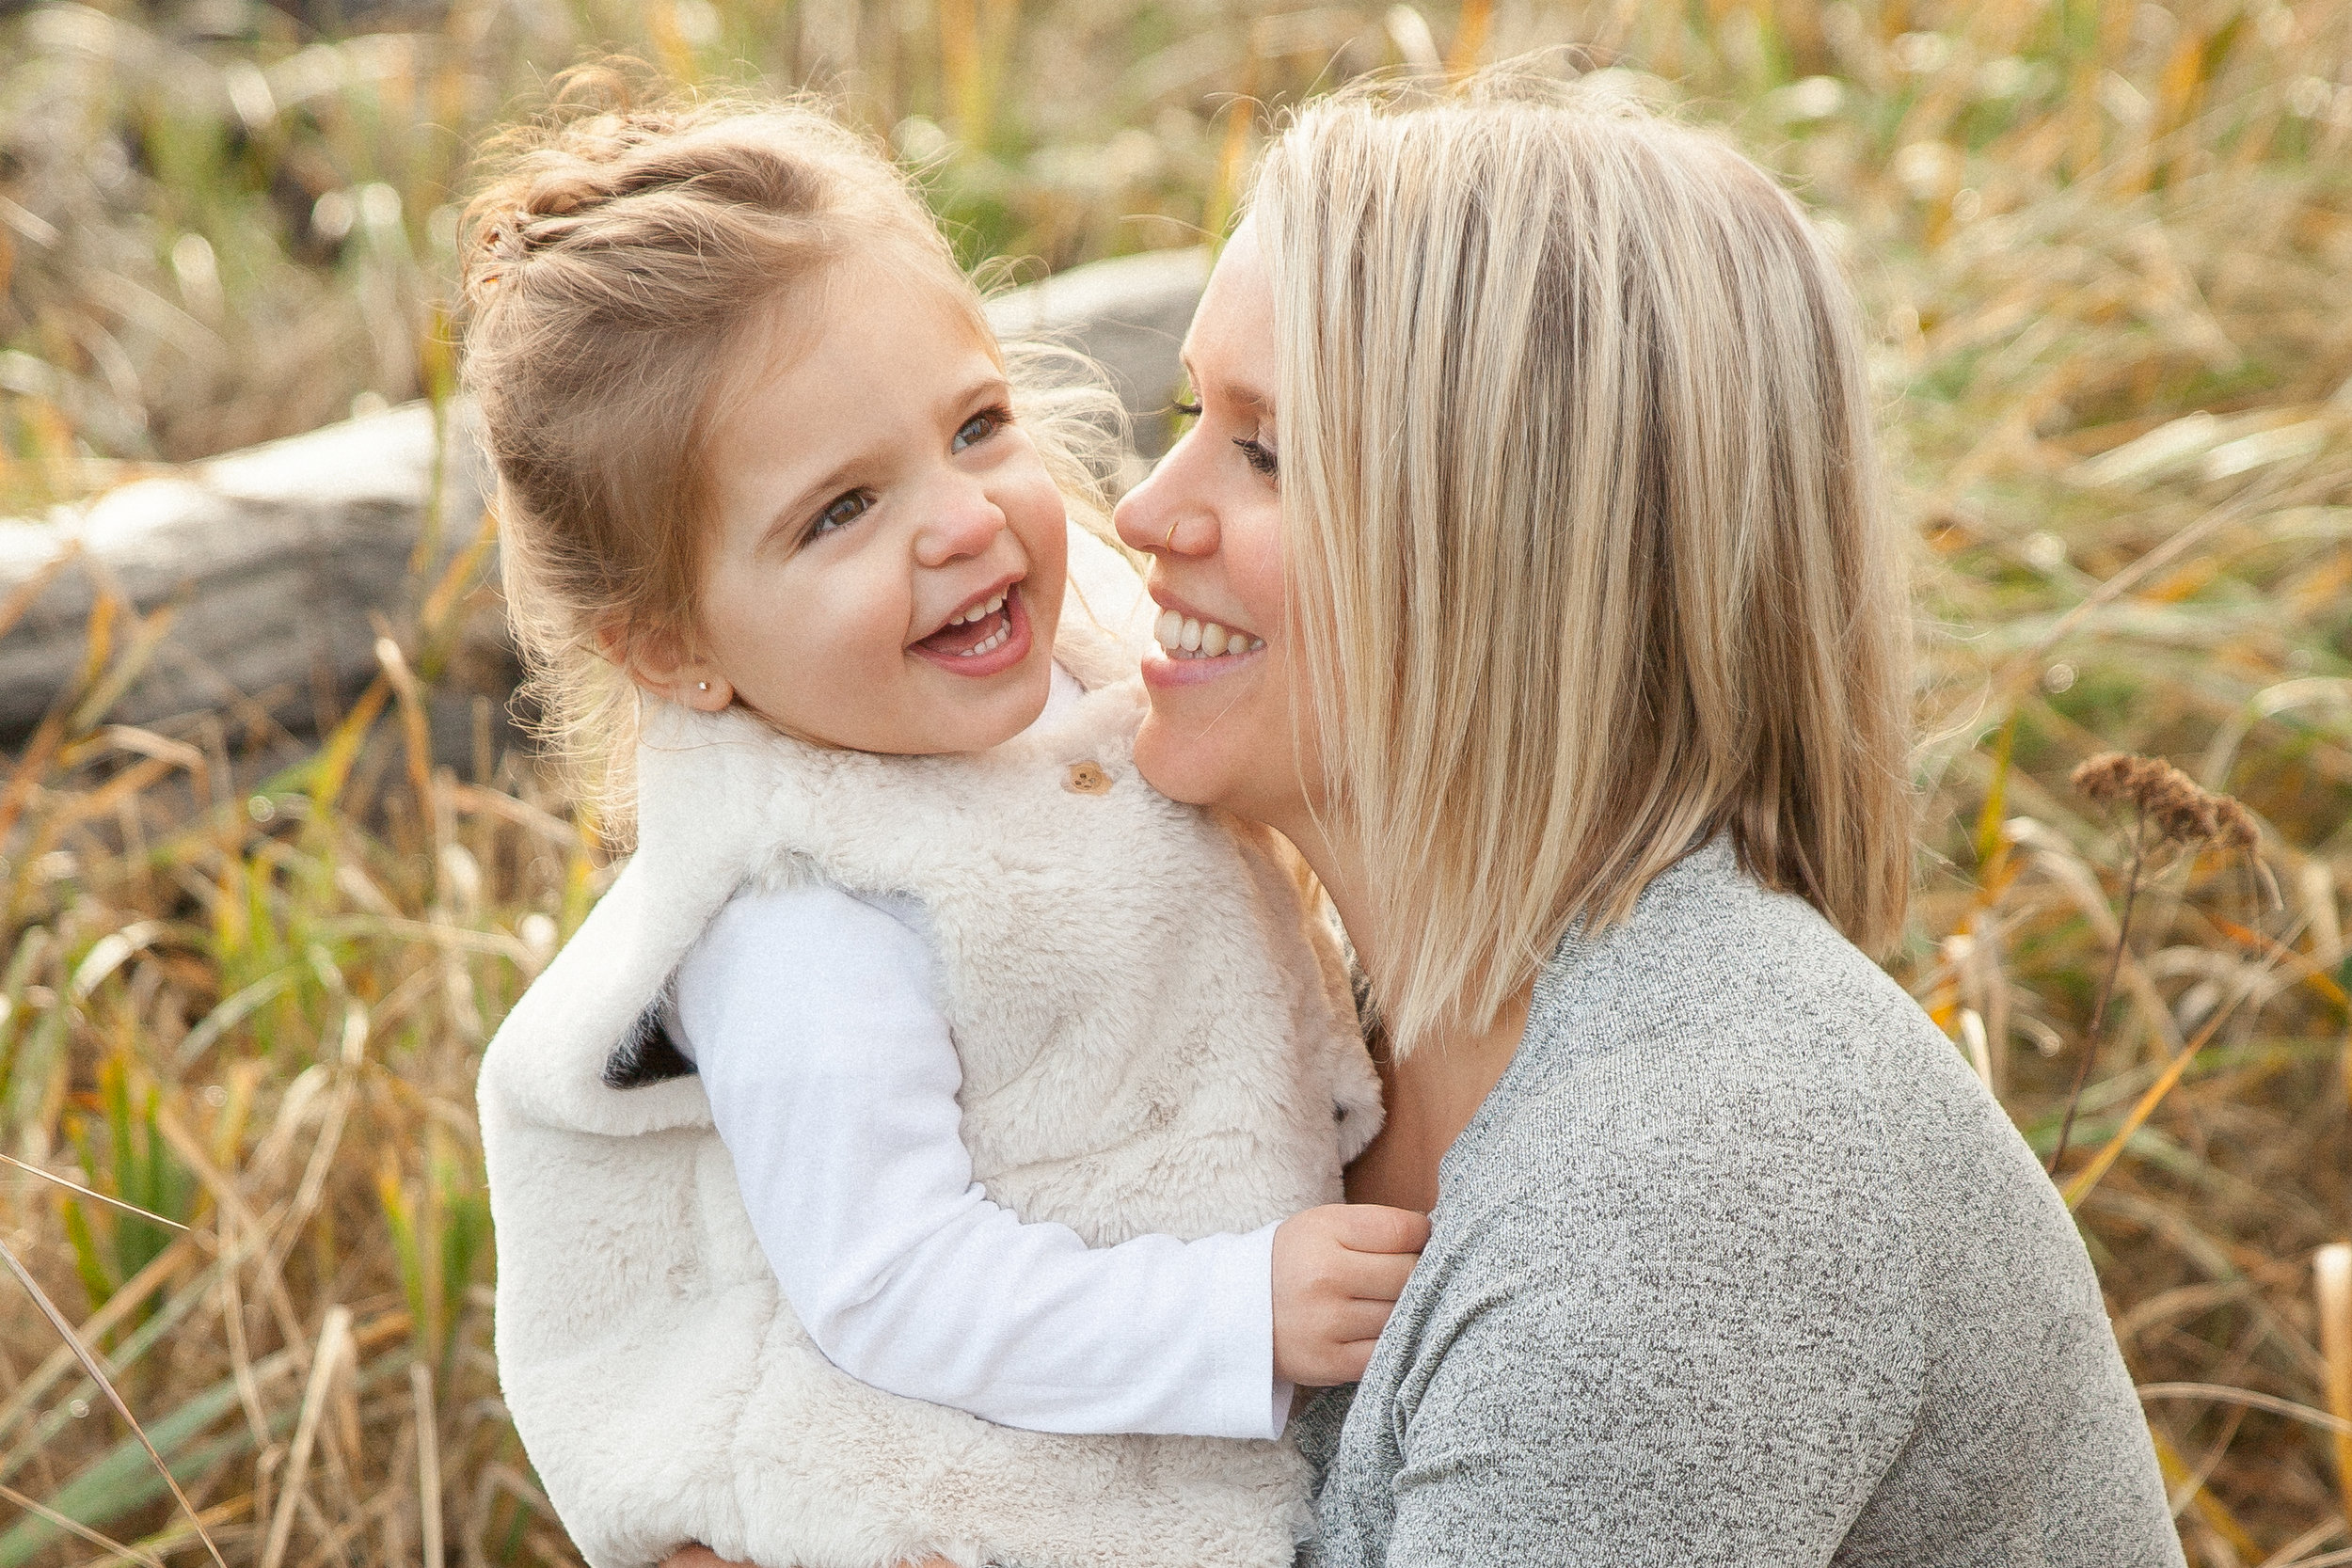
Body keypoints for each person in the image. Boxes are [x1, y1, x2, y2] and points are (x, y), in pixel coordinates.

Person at [1103, 77, 2187, 1565]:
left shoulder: (1689, 1189)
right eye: (1187, 417)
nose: (1142, 513)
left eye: (1267, 453)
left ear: (1514, 552)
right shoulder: (1309, 1037)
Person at [465, 77, 1425, 1568]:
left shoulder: (1089, 667)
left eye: (976, 426)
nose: (966, 519)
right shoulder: (804, 916)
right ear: (670, 648)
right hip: (985, 1496)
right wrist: (1233, 1313)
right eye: (839, 511)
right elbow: (893, 1282)